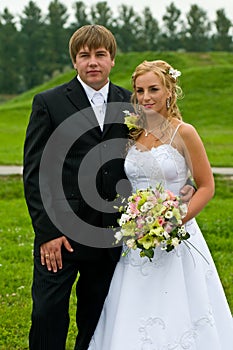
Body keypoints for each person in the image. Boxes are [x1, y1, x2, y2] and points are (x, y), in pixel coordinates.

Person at [23, 25, 194, 350]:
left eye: (100, 54)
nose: (92, 62)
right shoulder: (48, 102)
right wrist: (47, 233)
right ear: (75, 61)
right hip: (60, 235)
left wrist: (184, 184)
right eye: (84, 55)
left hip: (110, 235)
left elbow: (154, 151)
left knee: (98, 318)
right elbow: (35, 172)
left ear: (112, 59)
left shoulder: (130, 104)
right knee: (48, 314)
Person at [87, 60, 233, 349]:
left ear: (169, 91)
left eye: (153, 89)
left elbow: (206, 185)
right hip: (136, 238)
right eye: (140, 91)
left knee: (180, 308)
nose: (146, 97)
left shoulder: (183, 133)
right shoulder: (133, 134)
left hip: (178, 236)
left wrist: (175, 221)